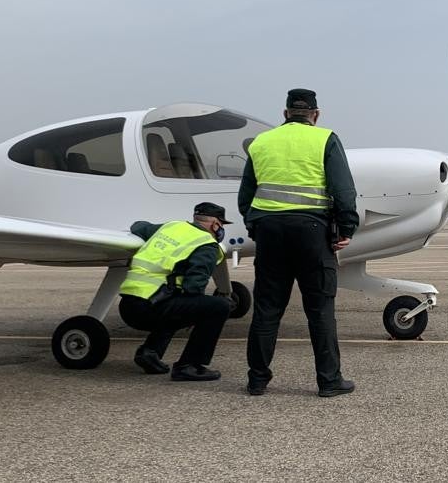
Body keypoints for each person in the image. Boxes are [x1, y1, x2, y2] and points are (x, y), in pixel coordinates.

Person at [239, 88, 360, 397]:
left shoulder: (261, 142)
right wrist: (346, 228)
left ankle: (257, 380)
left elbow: (245, 197)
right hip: (311, 232)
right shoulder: (325, 139)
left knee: (267, 309)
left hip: (269, 231)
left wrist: (257, 227)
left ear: (285, 113)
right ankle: (329, 381)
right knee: (319, 308)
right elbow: (344, 190)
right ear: (315, 115)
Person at [117, 202, 233, 381]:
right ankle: (189, 366)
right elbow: (193, 288)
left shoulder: (171, 227)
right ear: (215, 225)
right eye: (222, 225)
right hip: (151, 309)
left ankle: (150, 352)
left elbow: (138, 226)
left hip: (128, 305)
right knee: (219, 306)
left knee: (176, 303)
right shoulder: (207, 245)